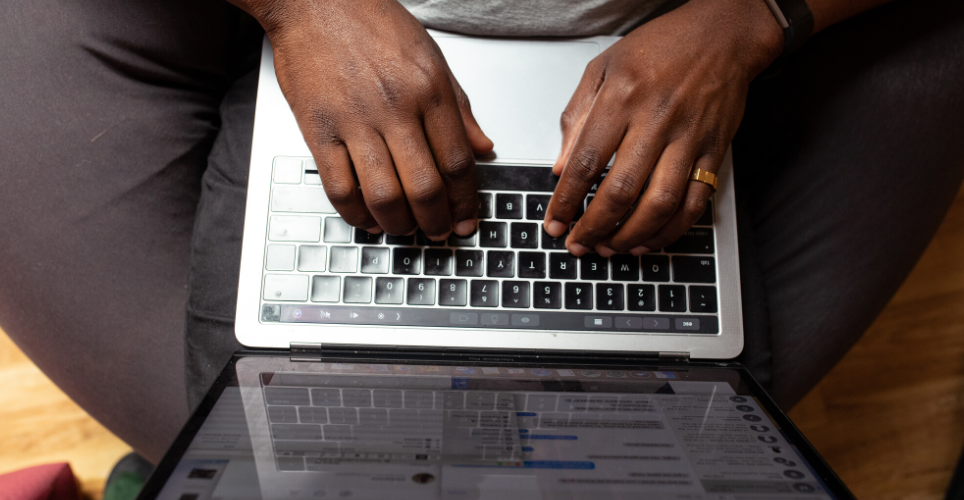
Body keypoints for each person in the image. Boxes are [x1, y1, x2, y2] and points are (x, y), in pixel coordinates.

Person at [0, 0, 961, 463]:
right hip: (338, 21)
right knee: (269, 441)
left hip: (682, 27)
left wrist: (756, 19)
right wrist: (303, 12)